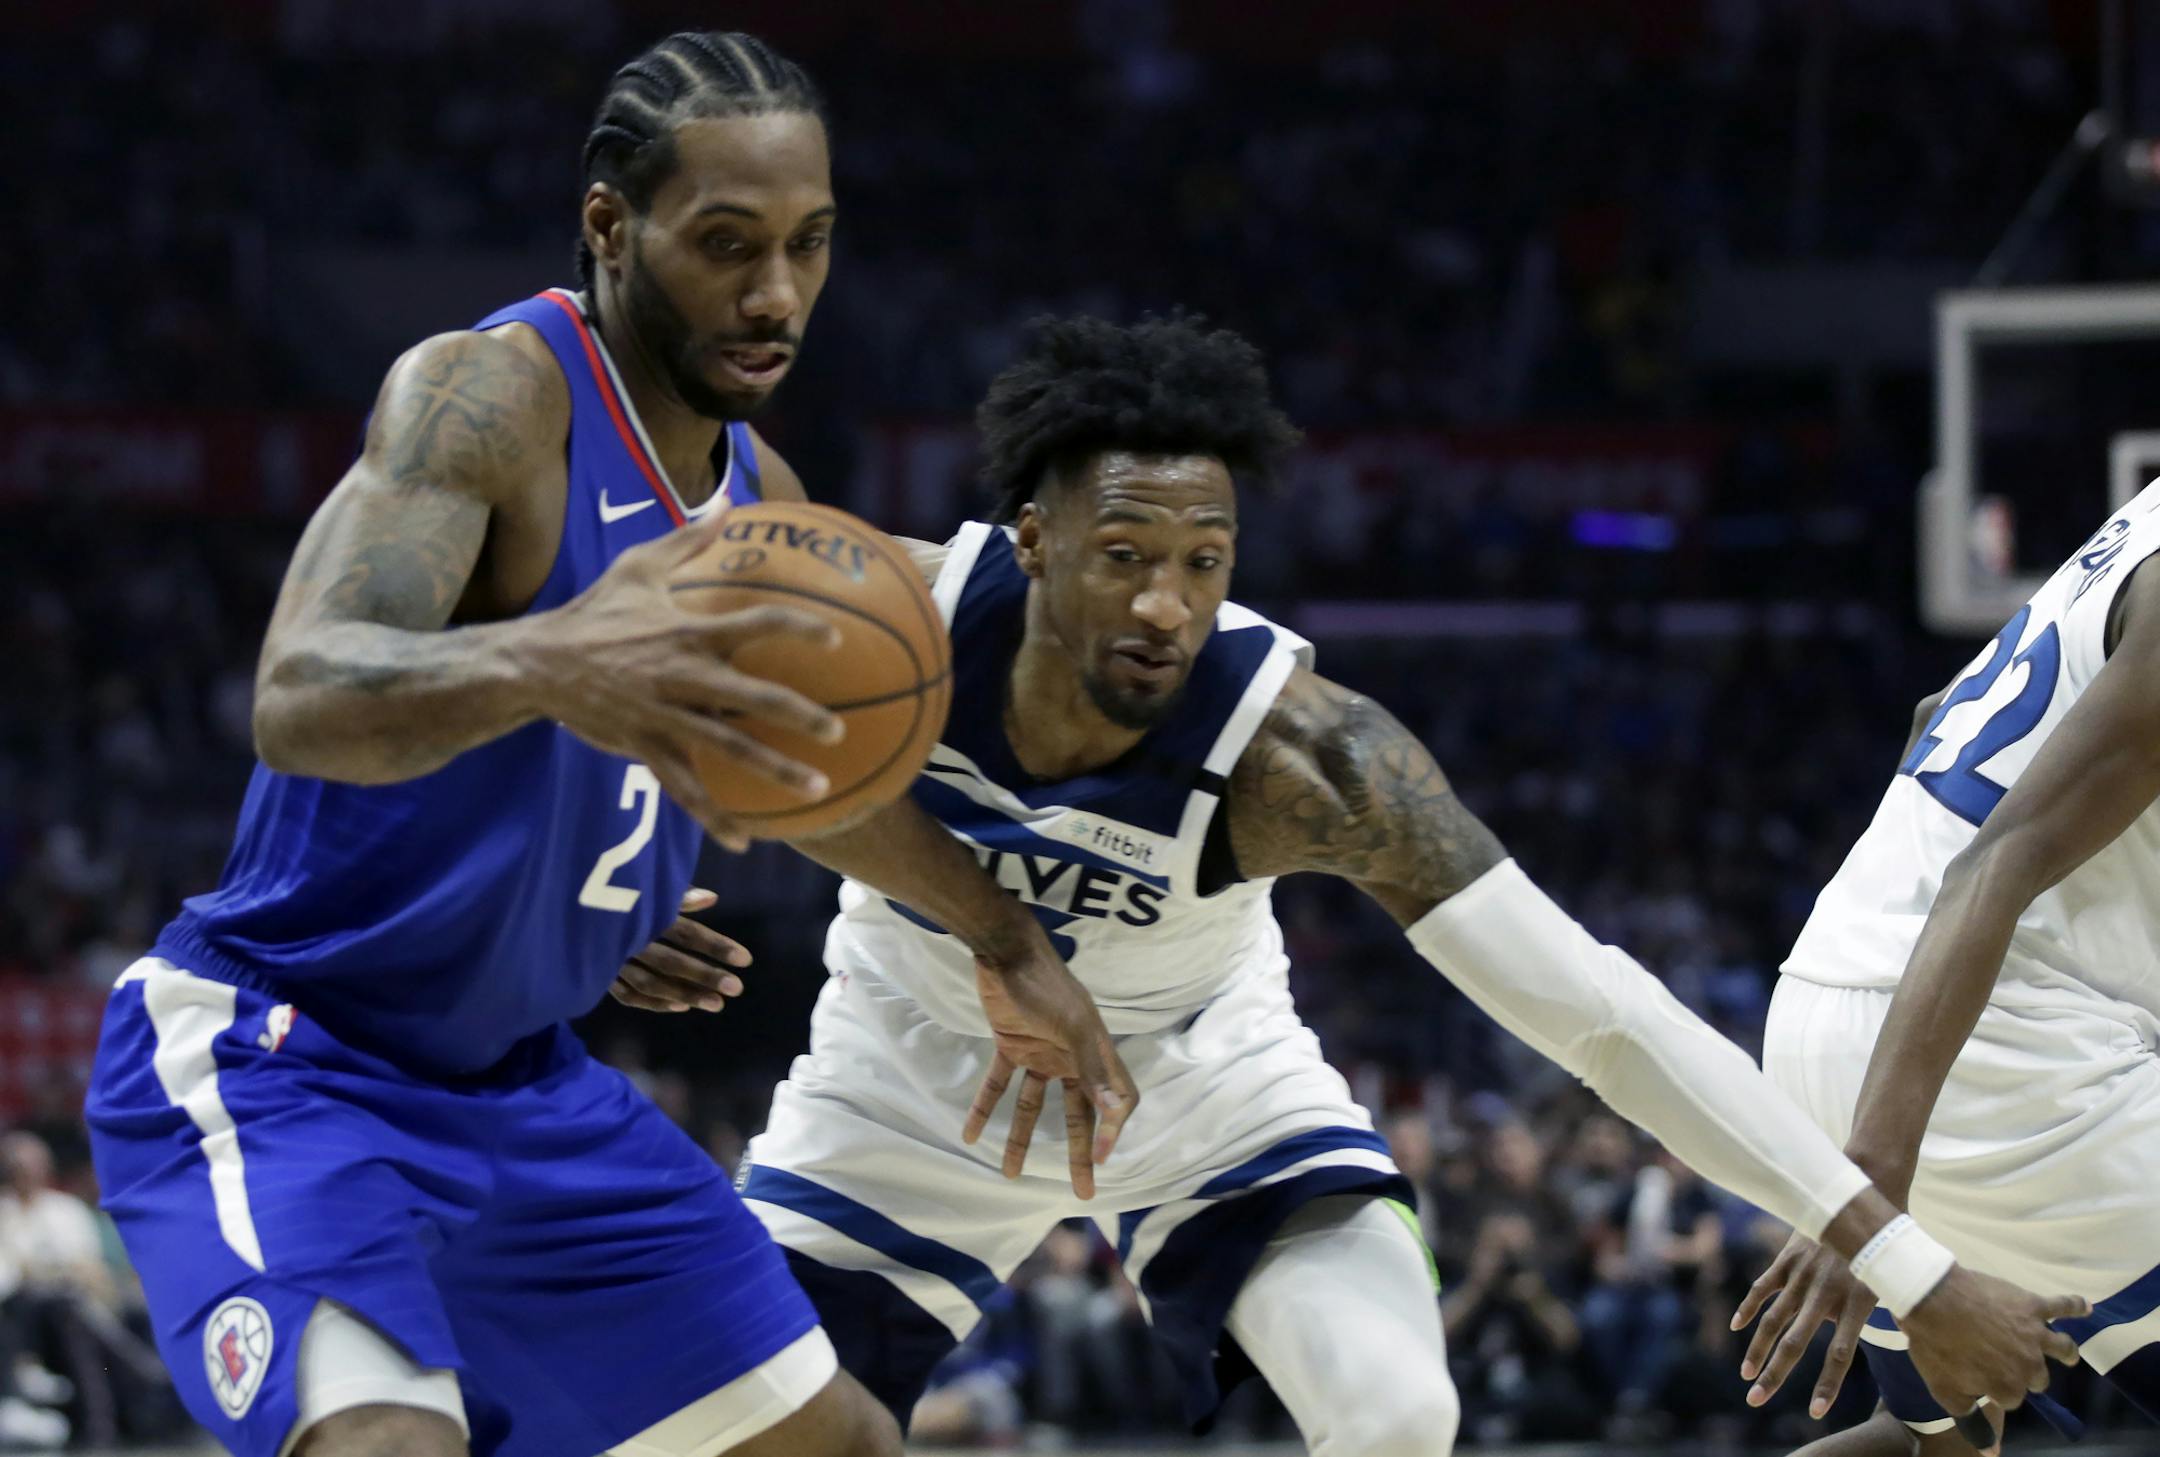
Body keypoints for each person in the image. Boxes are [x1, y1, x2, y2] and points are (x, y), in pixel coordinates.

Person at [628, 314, 2086, 1455]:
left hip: (1206, 1100)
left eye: (1205, 561)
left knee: (1400, 1416)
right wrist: (604, 899)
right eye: (1124, 554)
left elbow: (1596, 1014)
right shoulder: (884, 623)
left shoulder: (1309, 756)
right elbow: (628, 671)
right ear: (1030, 540)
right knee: (694, 1429)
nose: (1165, 603)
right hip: (901, 1090)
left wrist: (1904, 1264)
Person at [81, 32, 1126, 1457]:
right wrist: (563, 654)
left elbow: (815, 786)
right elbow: (306, 692)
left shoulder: (767, 499)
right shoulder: (492, 397)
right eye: (726, 244)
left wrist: (1004, 938)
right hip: (291, 1053)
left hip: (526, 1084)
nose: (776, 295)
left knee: (849, 1445)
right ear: (609, 227)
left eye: (810, 245)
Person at [1734, 484, 2160, 1453]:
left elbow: (1937, 710)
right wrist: (1873, 1198)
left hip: (1840, 1002)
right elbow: (1996, 862)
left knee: (1930, 1441)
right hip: (1983, 1058)